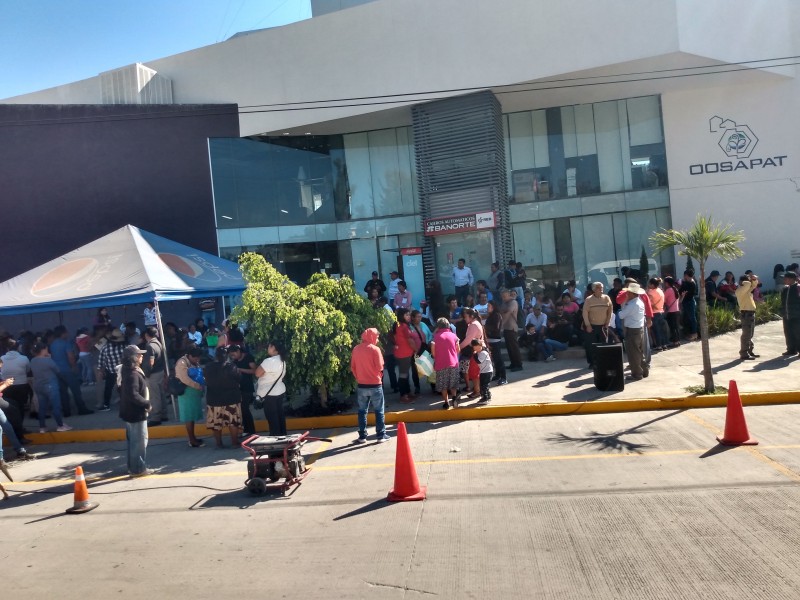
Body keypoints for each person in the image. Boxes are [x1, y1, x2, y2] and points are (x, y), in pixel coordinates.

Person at [350, 328, 389, 443]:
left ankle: (362, 436)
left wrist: (359, 377)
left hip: (362, 385)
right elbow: (380, 367)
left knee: (362, 411)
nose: (377, 338)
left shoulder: (356, 349)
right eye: (376, 336)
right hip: (375, 384)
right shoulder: (375, 349)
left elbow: (353, 367)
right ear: (371, 337)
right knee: (379, 411)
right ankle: (381, 435)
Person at [118, 344, 152, 476]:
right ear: (133, 358)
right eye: (139, 354)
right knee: (139, 442)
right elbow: (134, 394)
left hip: (129, 412)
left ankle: (133, 467)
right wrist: (146, 403)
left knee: (133, 442)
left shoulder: (126, 370)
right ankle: (138, 469)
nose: (141, 356)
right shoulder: (132, 374)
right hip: (136, 413)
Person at [203, 348, 242, 449]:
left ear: (215, 356)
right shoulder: (231, 367)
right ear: (227, 356)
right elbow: (239, 378)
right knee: (233, 421)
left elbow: (205, 380)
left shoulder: (208, 367)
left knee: (216, 423)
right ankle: (234, 442)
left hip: (214, 399)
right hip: (231, 398)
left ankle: (219, 443)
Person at [49, 325, 92, 416]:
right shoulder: (66, 343)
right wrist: (74, 367)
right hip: (68, 370)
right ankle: (81, 409)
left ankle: (66, 411)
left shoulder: (53, 344)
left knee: (63, 392)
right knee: (76, 391)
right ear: (63, 333)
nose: (68, 333)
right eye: (66, 332)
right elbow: (71, 357)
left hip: (57, 371)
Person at [30, 343, 71, 433]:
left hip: (38, 386)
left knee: (42, 407)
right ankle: (60, 425)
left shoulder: (32, 360)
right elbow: (58, 371)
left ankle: (42, 427)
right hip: (50, 385)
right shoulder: (48, 361)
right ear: (43, 350)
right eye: (46, 349)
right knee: (56, 406)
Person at [255, 341, 288, 436]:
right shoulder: (282, 360)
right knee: (280, 416)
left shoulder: (269, 361)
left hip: (268, 394)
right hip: (279, 391)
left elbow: (257, 373)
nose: (267, 348)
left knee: (272, 419)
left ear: (274, 349)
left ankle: (276, 439)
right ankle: (283, 437)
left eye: (269, 346)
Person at [175, 347, 205, 447]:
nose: (197, 360)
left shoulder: (193, 362)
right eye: (196, 358)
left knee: (192, 416)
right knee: (188, 417)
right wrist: (197, 386)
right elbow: (184, 379)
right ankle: (192, 440)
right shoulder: (182, 363)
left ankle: (193, 437)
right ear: (190, 356)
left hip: (193, 393)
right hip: (186, 393)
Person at [618, 282, 648, 381]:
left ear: (632, 293)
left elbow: (621, 315)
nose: (627, 294)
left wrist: (623, 306)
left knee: (633, 354)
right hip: (639, 329)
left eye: (628, 293)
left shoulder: (632, 304)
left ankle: (637, 374)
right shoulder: (639, 302)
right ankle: (644, 370)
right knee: (639, 352)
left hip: (633, 330)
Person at [431, 318, 460, 409]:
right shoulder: (454, 336)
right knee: (453, 383)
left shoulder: (435, 337)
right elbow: (458, 350)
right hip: (453, 363)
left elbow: (433, 353)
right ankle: (454, 398)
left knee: (443, 385)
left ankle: (446, 402)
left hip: (441, 364)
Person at [228, 344, 257, 437]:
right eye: (231, 355)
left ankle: (251, 430)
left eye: (234, 354)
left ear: (238, 351)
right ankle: (246, 429)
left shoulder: (248, 357)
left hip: (247, 387)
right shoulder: (235, 361)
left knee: (245, 409)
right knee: (241, 410)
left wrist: (240, 369)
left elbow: (254, 371)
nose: (233, 356)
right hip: (238, 388)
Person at [582, 282, 613, 368]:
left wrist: (607, 322)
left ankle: (603, 362)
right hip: (592, 326)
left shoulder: (606, 298)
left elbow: (610, 311)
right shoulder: (588, 300)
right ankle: (592, 363)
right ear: (594, 289)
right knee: (591, 346)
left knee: (604, 345)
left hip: (603, 326)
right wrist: (588, 325)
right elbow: (585, 313)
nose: (601, 289)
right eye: (599, 288)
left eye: (602, 287)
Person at [142, 327, 167, 425]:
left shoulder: (150, 346)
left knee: (154, 396)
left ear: (146, 335)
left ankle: (156, 417)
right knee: (161, 394)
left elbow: (150, 363)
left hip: (153, 374)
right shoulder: (159, 343)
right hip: (160, 371)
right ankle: (164, 414)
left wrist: (146, 374)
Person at [97, 328, 126, 411]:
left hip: (111, 371)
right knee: (123, 388)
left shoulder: (105, 348)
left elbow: (101, 360)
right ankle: (125, 403)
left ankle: (106, 405)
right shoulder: (125, 346)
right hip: (124, 370)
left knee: (108, 388)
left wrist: (100, 370)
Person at [393, 308, 418, 403]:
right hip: (404, 354)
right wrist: (416, 349)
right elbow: (410, 340)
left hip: (403, 353)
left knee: (405, 374)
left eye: (409, 315)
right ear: (401, 316)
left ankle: (407, 393)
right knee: (403, 375)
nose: (409, 317)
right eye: (406, 315)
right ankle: (403, 395)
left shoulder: (398, 325)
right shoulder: (403, 326)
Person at [736, 273, 759, 360]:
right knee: (746, 334)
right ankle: (744, 353)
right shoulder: (740, 290)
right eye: (748, 280)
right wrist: (749, 279)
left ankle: (749, 350)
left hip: (750, 313)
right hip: (746, 314)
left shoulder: (746, 290)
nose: (750, 281)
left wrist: (754, 279)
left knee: (750, 334)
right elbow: (749, 284)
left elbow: (754, 285)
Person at [484, 301, 507, 385]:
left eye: (489, 306)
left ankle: (504, 377)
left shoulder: (497, 315)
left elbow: (496, 328)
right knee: (494, 359)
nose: (487, 308)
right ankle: (497, 375)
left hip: (495, 340)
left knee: (499, 359)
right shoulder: (490, 316)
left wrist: (485, 328)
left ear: (493, 307)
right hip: (490, 340)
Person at [500, 289, 523, 371]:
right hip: (506, 328)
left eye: (504, 296)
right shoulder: (504, 303)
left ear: (509, 295)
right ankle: (513, 363)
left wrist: (501, 325)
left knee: (514, 347)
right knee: (509, 348)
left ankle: (519, 364)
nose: (503, 298)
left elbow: (508, 312)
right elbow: (501, 311)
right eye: (502, 297)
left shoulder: (513, 302)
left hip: (512, 328)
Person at [779, 271, 800, 357]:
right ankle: (791, 349)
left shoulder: (798, 288)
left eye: (786, 278)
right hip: (786, 315)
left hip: (796, 315)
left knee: (798, 333)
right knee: (788, 332)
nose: (784, 280)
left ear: (791, 279)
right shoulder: (785, 289)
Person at [470, 338, 494, 406]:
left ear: (479, 345)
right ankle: (487, 396)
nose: (474, 348)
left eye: (475, 346)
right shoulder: (479, 352)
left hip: (487, 372)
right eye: (474, 347)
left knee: (484, 386)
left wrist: (474, 355)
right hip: (483, 371)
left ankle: (485, 398)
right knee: (484, 385)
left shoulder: (483, 353)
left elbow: (478, 361)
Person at [662, 276, 681, 348]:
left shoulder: (668, 290)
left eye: (665, 282)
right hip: (677, 310)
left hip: (671, 311)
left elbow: (664, 299)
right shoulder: (675, 289)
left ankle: (675, 342)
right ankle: (678, 341)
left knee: (672, 327)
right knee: (676, 327)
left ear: (667, 283)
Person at [679, 269, 698, 341]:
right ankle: (690, 333)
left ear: (687, 275)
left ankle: (694, 333)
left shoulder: (692, 283)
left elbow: (688, 294)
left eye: (685, 275)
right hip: (686, 302)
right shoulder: (686, 282)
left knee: (692, 318)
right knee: (687, 318)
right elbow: (681, 290)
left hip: (689, 302)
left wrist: (683, 294)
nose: (684, 277)